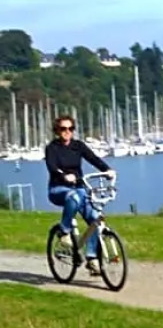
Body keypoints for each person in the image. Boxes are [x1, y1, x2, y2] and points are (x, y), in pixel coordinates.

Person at [45, 115, 116, 273]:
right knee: (73, 196)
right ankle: (64, 231)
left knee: (95, 219)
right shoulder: (52, 148)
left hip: (79, 187)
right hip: (58, 189)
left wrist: (107, 170)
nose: (67, 131)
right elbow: (52, 167)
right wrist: (64, 176)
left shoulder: (78, 146)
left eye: (70, 128)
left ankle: (92, 258)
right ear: (57, 130)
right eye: (63, 128)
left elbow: (93, 159)